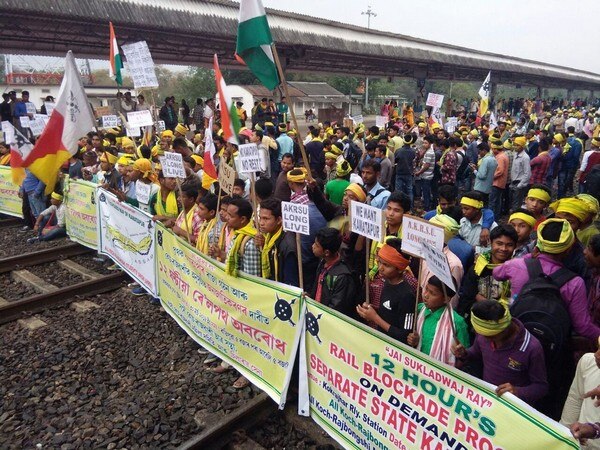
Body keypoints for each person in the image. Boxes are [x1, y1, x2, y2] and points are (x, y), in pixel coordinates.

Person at [453, 300, 548, 405]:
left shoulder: (532, 348)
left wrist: (517, 391)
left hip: (512, 407)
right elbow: (476, 352)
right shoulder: (484, 334)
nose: (486, 339)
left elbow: (541, 387)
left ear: (505, 329)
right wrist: (464, 354)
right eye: (482, 334)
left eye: (491, 337)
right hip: (487, 400)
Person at [356, 238, 416, 344]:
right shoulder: (387, 282)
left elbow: (405, 336)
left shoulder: (407, 296)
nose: (380, 268)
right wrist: (371, 310)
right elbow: (389, 312)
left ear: (400, 268)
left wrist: (375, 317)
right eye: (379, 262)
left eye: (386, 265)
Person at [458, 225, 517, 323]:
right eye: (499, 243)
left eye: (509, 245)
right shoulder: (478, 267)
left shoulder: (517, 271)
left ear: (515, 246)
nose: (503, 248)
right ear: (490, 242)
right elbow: (466, 297)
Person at [407, 275, 470, 366]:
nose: (426, 295)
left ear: (446, 299)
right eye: (426, 289)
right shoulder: (419, 310)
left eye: (432, 293)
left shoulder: (456, 322)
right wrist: (414, 341)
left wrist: (461, 354)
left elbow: (463, 357)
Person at [310, 227, 357, 319]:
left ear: (326, 252)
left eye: (316, 245)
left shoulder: (342, 276)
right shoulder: (323, 262)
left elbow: (336, 308)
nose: (313, 246)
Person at [561, 344, 600, 449]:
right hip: (578, 444)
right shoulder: (587, 361)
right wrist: (563, 433)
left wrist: (594, 430)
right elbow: (575, 399)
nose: (597, 355)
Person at [255, 198, 299, 287]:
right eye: (260, 218)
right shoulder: (268, 236)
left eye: (266, 219)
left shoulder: (288, 247)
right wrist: (263, 246)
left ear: (279, 220)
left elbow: (290, 283)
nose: (261, 223)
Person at [509, 136, 531, 211]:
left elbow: (527, 173)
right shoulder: (515, 154)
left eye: (517, 145)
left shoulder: (525, 157)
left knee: (517, 203)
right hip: (513, 182)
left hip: (519, 183)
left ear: (522, 146)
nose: (515, 147)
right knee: (512, 202)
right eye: (514, 145)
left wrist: (520, 185)